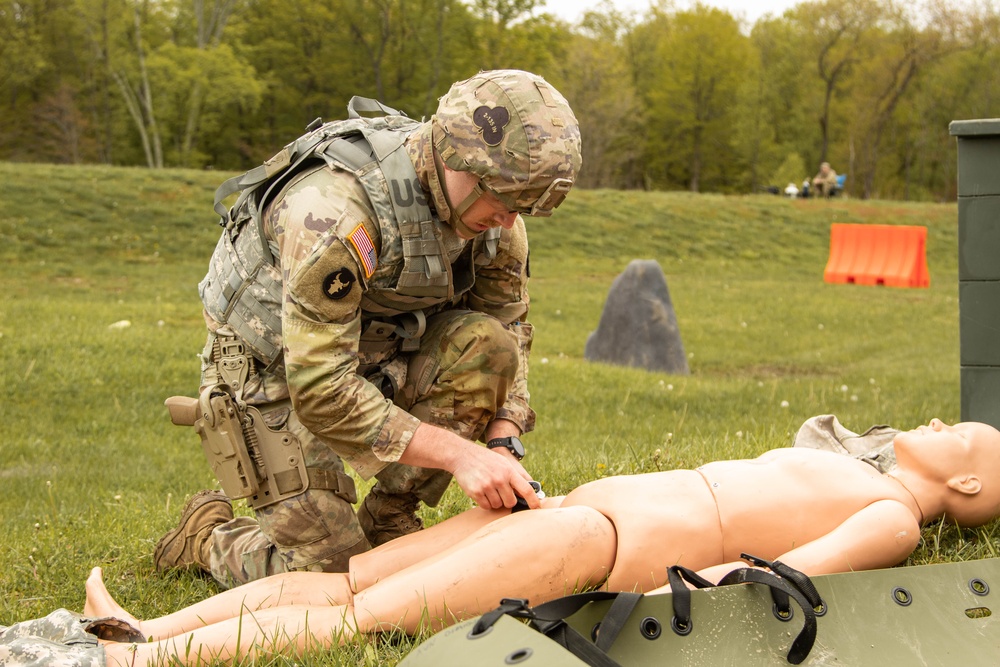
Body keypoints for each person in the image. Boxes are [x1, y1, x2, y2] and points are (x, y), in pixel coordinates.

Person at [66, 418, 1000, 666]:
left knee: (363, 615)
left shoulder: (894, 514)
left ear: (966, 483)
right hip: (570, 508)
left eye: (962, 432)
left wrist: (694, 586)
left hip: (601, 540)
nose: (936, 419)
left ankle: (155, 661)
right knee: (344, 577)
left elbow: (787, 574)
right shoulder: (851, 460)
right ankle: (146, 629)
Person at [153, 70, 583, 588]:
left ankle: (388, 517)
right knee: (332, 580)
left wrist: (502, 439)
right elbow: (320, 388)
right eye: (505, 200)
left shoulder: (495, 221)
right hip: (273, 375)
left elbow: (507, 328)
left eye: (524, 207)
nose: (510, 221)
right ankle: (207, 536)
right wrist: (459, 456)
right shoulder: (335, 214)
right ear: (457, 157)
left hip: (376, 352)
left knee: (485, 345)